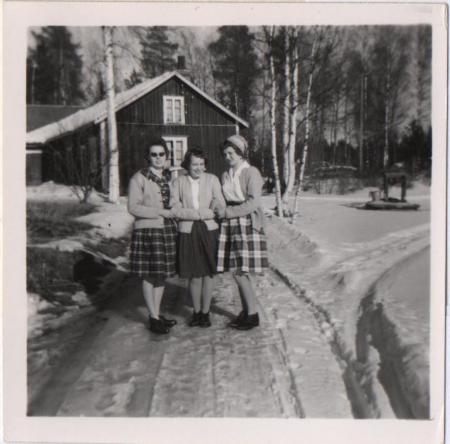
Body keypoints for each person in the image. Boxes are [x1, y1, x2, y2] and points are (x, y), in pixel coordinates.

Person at [216, 134, 269, 330]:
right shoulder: (226, 174)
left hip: (246, 222)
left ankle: (252, 314)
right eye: (225, 154)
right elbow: (223, 198)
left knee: (240, 271)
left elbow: (253, 202)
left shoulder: (251, 172)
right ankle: (246, 310)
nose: (227, 157)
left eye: (231, 153)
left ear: (241, 153)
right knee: (236, 270)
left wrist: (228, 212)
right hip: (230, 224)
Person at [127, 138, 178, 335]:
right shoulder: (138, 178)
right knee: (150, 274)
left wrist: (174, 209)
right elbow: (133, 207)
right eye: (154, 154)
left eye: (161, 154)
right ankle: (153, 317)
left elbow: (172, 201)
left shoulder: (168, 177)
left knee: (161, 274)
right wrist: (160, 212)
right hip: (148, 231)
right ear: (148, 157)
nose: (158, 158)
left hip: (166, 229)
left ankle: (156, 314)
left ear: (166, 156)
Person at [171, 148, 226, 327]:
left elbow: (219, 202)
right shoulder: (178, 182)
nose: (198, 168)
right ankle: (196, 312)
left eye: (202, 164)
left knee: (209, 273)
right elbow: (175, 207)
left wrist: (209, 211)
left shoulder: (212, 179)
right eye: (194, 164)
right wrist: (198, 214)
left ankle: (205, 312)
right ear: (187, 164)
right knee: (194, 275)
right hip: (188, 230)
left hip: (209, 230)